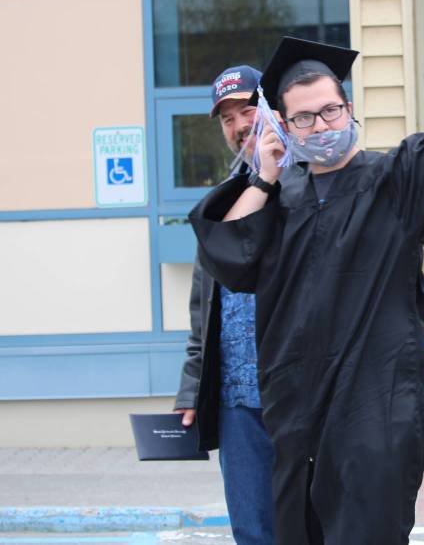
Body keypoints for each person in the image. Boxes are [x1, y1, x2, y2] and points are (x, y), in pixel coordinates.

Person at [188, 0, 424, 544]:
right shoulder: (279, 197)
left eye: (331, 111)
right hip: (296, 426)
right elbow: (228, 254)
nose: (322, 126)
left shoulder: (397, 180)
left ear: (348, 109)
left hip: (374, 420)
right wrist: (264, 173)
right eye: (305, 119)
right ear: (284, 128)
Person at [174, 65, 275, 545]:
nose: (239, 127)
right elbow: (203, 311)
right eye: (227, 119)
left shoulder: (307, 185)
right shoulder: (218, 204)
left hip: (299, 395)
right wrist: (191, 390)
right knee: (253, 530)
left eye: (248, 111)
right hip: (238, 402)